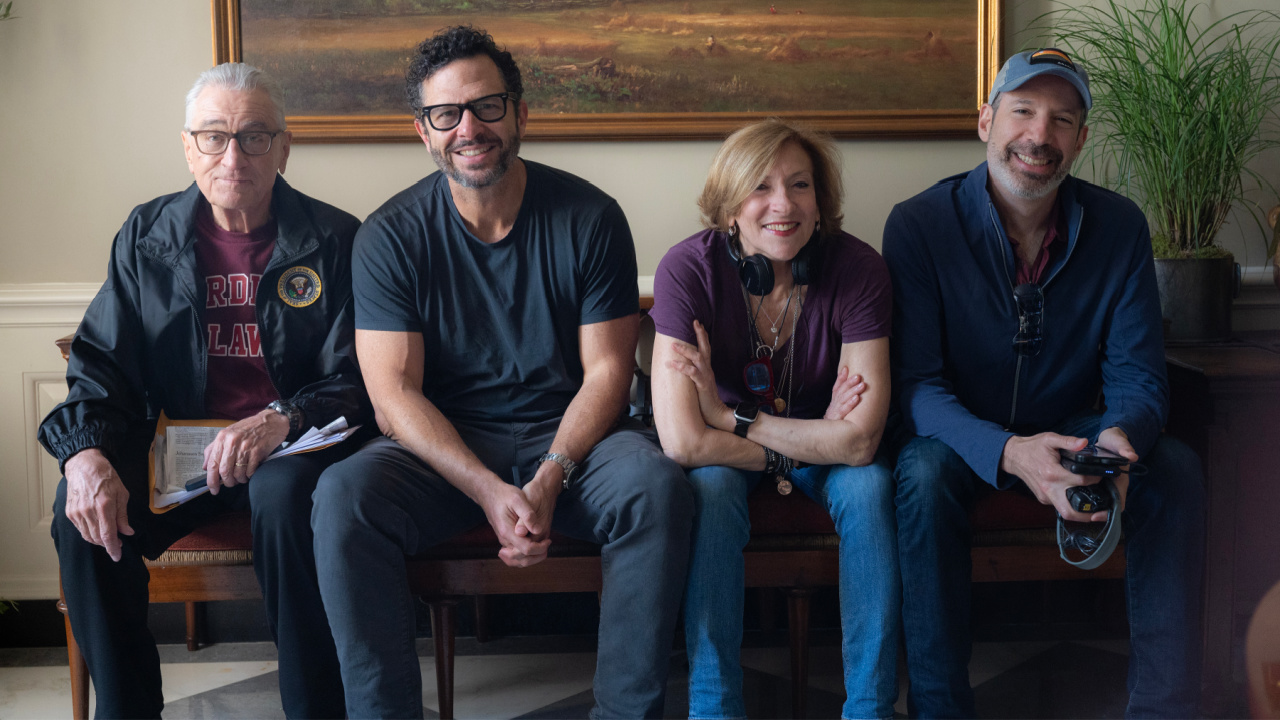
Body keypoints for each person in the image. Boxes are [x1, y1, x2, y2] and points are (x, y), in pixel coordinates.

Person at [311, 26, 693, 718]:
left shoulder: (590, 217)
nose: (468, 128)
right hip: (445, 453)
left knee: (655, 485)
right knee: (343, 497)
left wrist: (548, 474)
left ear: (520, 112)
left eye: (487, 105)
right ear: (422, 131)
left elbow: (608, 373)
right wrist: (488, 489)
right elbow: (393, 397)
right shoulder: (388, 237)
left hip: (573, 445)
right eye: (445, 114)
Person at [37, 63, 370, 718]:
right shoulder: (147, 235)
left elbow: (358, 376)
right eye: (214, 136)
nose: (233, 155)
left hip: (291, 445)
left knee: (282, 499)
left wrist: (284, 417)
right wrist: (84, 455)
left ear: (283, 146)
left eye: (253, 136)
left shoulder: (335, 239)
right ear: (188, 147)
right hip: (182, 449)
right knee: (80, 518)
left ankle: (315, 708)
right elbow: (100, 360)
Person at [883, 48, 1205, 718]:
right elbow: (914, 388)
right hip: (961, 441)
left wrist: (1119, 442)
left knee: (1173, 467)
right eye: (1024, 112)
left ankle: (1164, 707)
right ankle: (941, 707)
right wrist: (1010, 452)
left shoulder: (1119, 227)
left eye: (1062, 120)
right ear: (986, 122)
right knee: (917, 474)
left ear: (1081, 140)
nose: (1040, 135)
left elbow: (1140, 378)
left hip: (1073, 429)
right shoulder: (919, 224)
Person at [650, 119, 900, 720]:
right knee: (708, 489)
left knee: (870, 489)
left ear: (821, 202)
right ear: (729, 207)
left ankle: (869, 708)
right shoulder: (687, 270)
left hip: (744, 437)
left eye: (800, 185)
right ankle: (715, 708)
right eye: (760, 187)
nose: (783, 205)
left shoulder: (859, 269)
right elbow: (684, 441)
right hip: (754, 454)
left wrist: (728, 417)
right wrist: (817, 442)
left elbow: (862, 441)